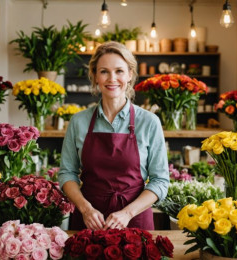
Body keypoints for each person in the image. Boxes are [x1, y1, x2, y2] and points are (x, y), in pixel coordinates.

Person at [58, 41, 169, 231]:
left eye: (119, 71)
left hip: (135, 220)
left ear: (130, 75)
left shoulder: (149, 122)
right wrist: (85, 209)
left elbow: (160, 181)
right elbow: (67, 173)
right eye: (104, 71)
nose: (112, 78)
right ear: (94, 76)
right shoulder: (78, 122)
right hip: (90, 221)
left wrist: (127, 213)